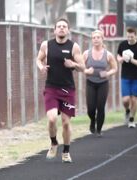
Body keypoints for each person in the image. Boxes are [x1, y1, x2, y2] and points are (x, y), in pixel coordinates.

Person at [36, 18, 85, 163]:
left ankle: (66, 151)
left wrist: (73, 64)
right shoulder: (47, 45)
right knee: (51, 119)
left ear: (68, 30)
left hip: (67, 90)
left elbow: (83, 67)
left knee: (65, 123)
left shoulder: (73, 47)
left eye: (64, 26)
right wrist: (41, 67)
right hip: (51, 87)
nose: (62, 28)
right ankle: (53, 143)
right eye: (59, 26)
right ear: (54, 30)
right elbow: (38, 59)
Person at [83, 30, 117, 137]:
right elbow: (80, 67)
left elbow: (115, 68)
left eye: (98, 37)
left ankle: (99, 130)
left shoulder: (108, 55)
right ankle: (93, 120)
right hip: (90, 82)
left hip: (103, 83)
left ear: (102, 39)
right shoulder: (86, 53)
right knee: (91, 108)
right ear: (92, 40)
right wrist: (86, 71)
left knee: (100, 107)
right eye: (94, 38)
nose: (96, 39)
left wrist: (107, 73)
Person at [117, 27, 137, 128]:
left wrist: (131, 60)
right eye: (128, 37)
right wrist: (121, 59)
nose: (130, 39)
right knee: (126, 100)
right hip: (125, 76)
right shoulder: (123, 44)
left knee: (135, 99)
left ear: (135, 35)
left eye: (131, 37)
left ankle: (132, 119)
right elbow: (118, 55)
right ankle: (127, 111)